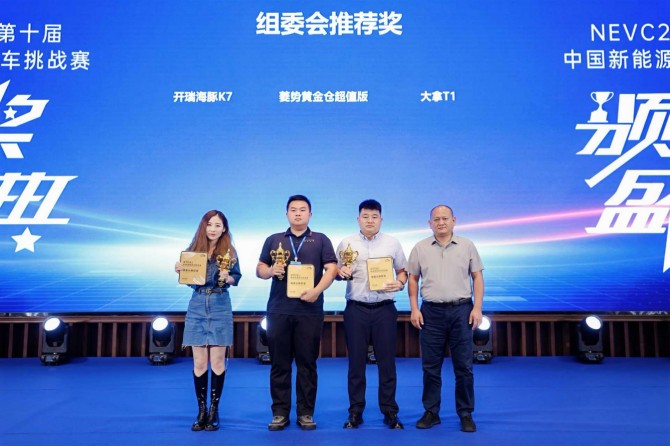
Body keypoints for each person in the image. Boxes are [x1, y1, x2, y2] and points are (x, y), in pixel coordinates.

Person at [256, 195, 338, 431]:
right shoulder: (274, 240)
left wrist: (316, 291)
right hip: (279, 310)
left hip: (309, 311)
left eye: (303, 210)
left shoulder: (321, 239)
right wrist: (271, 271)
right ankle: (280, 413)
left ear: (310, 214)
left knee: (307, 364)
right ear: (286, 214)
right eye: (293, 210)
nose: (298, 213)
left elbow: (332, 269)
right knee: (279, 364)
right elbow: (259, 269)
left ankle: (305, 412)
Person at [407, 205, 484, 433]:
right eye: (436, 219)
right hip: (430, 312)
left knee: (464, 366)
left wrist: (477, 308)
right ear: (429, 223)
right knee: (430, 367)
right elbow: (413, 279)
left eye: (445, 218)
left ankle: (465, 413)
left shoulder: (467, 246)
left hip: (462, 311)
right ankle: (431, 412)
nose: (441, 222)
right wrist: (414, 309)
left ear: (454, 220)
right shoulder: (420, 247)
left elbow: (477, 277)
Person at [336, 199, 407, 430]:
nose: (370, 221)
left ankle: (390, 411)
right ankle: (355, 411)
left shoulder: (392, 243)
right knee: (356, 364)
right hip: (356, 309)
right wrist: (340, 271)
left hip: (384, 309)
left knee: (387, 363)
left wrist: (400, 283)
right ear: (358, 219)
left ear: (381, 219)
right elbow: (336, 271)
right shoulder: (346, 243)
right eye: (365, 216)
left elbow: (403, 271)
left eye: (374, 217)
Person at [175, 210, 242, 432]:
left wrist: (227, 277)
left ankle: (214, 411)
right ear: (203, 226)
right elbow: (190, 281)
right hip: (197, 305)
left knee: (218, 362)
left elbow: (236, 277)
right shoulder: (193, 250)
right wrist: (180, 271)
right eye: (209, 224)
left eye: (218, 225)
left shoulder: (230, 252)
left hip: (220, 304)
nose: (213, 229)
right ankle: (201, 411)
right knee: (199, 363)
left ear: (224, 229)